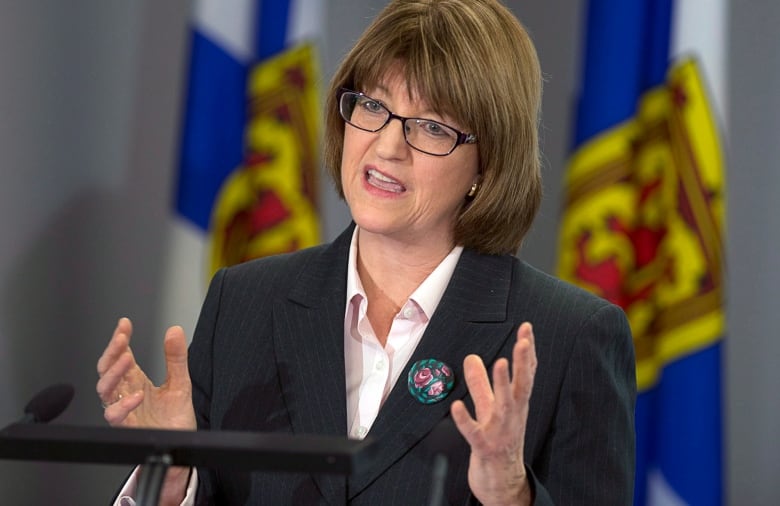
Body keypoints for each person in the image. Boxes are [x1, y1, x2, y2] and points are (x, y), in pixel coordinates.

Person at [96, 0, 636, 504]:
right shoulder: (244, 303)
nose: (386, 146)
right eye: (373, 105)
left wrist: (512, 495)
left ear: (487, 164)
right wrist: (169, 483)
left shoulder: (569, 338)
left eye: (430, 126)